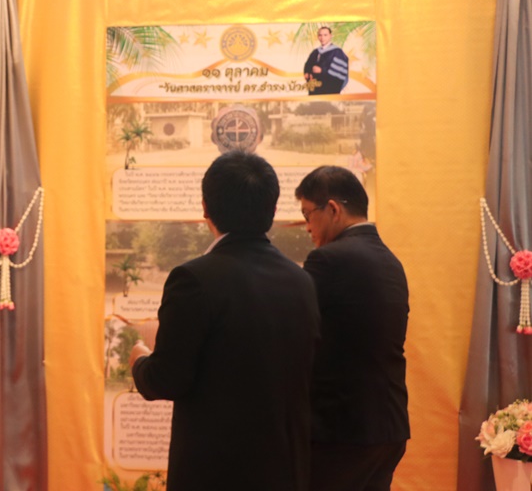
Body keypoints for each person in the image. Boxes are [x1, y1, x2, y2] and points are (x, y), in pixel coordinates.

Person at [130, 150, 320, 491]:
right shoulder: (301, 281)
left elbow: (166, 380)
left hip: (215, 472)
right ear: (273, 210)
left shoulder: (193, 279)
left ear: (205, 207)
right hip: (284, 470)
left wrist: (139, 360)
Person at [295, 166, 410, 491]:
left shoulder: (328, 259)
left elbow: (296, 329)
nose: (307, 227)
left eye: (307, 215)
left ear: (333, 209)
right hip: (388, 425)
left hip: (341, 429)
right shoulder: (390, 261)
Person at [303, 26, 349, 95]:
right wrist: (307, 72)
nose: (322, 38)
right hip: (315, 89)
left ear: (330, 36)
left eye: (325, 35)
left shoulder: (337, 52)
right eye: (320, 35)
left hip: (329, 90)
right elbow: (308, 65)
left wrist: (322, 71)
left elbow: (339, 72)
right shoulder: (315, 52)